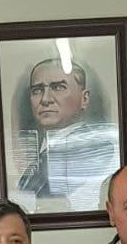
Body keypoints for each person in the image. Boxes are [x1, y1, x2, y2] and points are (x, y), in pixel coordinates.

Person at [12, 59, 121, 212]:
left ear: (84, 99)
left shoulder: (96, 150)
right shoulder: (41, 155)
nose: (45, 99)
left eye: (58, 88)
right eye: (37, 90)